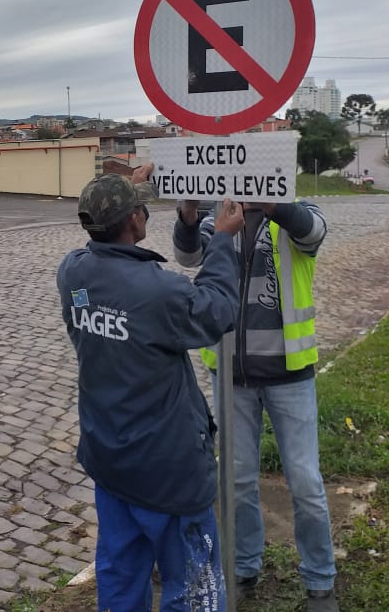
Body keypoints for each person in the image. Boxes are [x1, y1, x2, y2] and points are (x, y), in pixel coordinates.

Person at [57, 164, 244, 612]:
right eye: (140, 208)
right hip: (169, 472)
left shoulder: (73, 272)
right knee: (194, 589)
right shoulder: (157, 291)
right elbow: (216, 310)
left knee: (121, 576)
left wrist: (128, 181)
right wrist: (221, 240)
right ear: (136, 221)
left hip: (112, 461)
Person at [173, 198, 339, 612]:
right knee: (238, 480)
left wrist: (273, 204)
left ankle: (320, 581)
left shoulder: (296, 212)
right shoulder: (221, 214)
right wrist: (189, 216)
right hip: (231, 375)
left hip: (289, 373)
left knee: (304, 480)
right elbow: (188, 255)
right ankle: (244, 567)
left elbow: (313, 232)